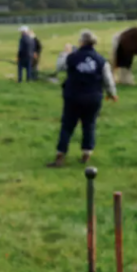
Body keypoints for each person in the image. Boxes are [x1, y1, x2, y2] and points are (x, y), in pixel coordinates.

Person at [47, 30, 118, 168]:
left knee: (67, 126)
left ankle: (60, 155)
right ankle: (86, 153)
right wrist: (112, 93)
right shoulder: (101, 60)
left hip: (73, 97)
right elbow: (108, 79)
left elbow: (59, 67)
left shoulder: (72, 57)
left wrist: (65, 53)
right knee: (89, 125)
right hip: (93, 97)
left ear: (81, 42)